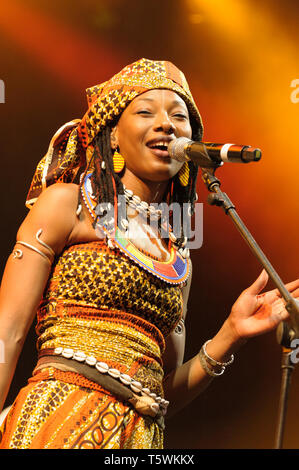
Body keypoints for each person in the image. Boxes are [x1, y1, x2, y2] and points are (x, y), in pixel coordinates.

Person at [0, 58, 298, 449]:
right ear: (113, 137)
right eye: (145, 112)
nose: (166, 124)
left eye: (179, 116)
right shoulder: (68, 206)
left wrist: (231, 334)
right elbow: (9, 331)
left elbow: (161, 392)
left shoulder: (176, 259)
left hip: (140, 438)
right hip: (58, 417)